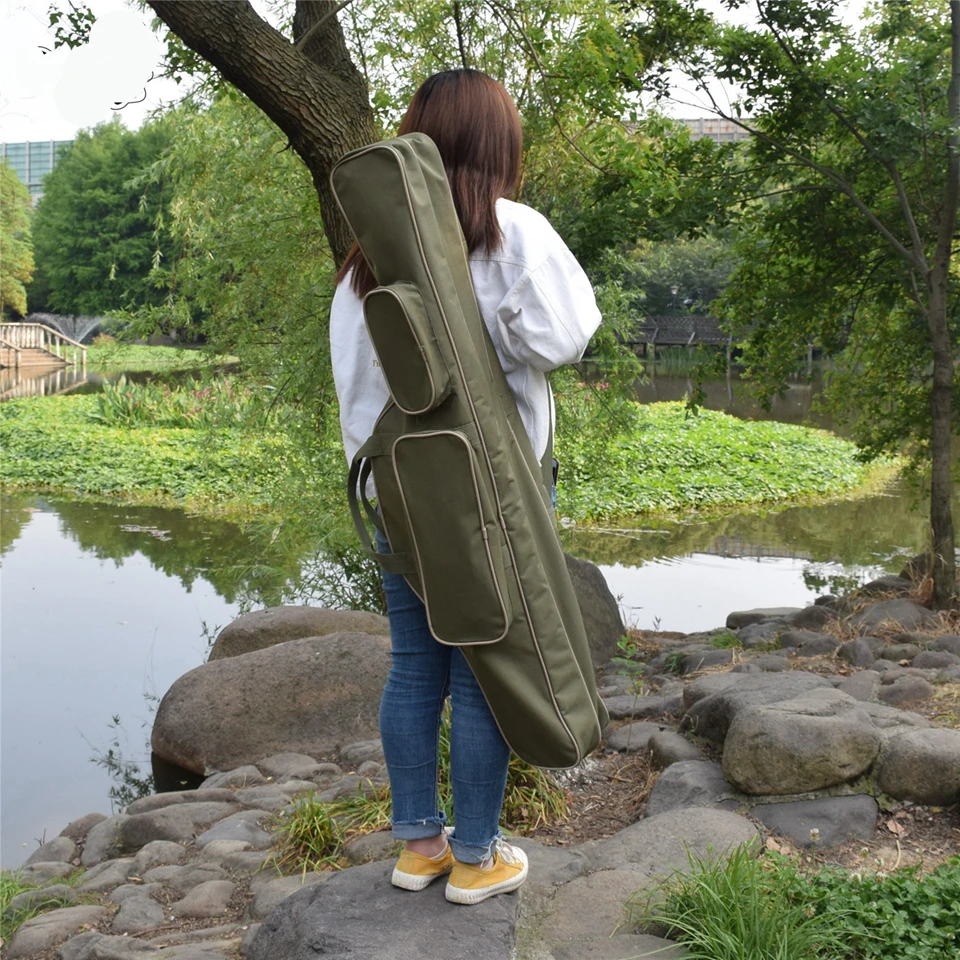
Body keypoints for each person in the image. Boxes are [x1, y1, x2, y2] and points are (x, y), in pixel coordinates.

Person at [329, 68, 601, 905]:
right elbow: (566, 336)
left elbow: (355, 388)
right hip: (494, 498)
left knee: (415, 665)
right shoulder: (508, 232)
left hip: (397, 496)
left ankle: (420, 846)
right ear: (498, 143)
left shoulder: (363, 264)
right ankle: (478, 857)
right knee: (493, 664)